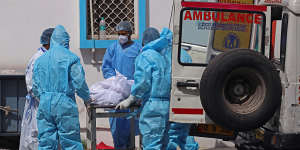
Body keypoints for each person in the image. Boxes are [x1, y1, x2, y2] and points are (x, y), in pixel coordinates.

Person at [32, 25, 91, 150]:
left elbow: (35, 87)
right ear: (65, 41)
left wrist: (43, 97)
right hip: (64, 104)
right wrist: (87, 98)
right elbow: (79, 83)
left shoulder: (39, 61)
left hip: (44, 103)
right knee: (70, 142)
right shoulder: (71, 58)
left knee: (46, 142)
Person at [142, 27, 199, 150]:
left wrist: (134, 98)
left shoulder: (155, 56)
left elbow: (145, 83)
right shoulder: (183, 54)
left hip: (163, 103)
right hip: (184, 100)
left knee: (167, 138)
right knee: (184, 135)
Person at [116, 28, 172, 149]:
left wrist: (131, 98)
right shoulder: (164, 57)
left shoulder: (145, 56)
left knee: (152, 144)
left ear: (143, 42)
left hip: (153, 107)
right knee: (165, 144)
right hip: (167, 106)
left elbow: (142, 81)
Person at [101, 21, 142, 149]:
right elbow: (106, 67)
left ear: (129, 34)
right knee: (117, 127)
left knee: (131, 126)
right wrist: (115, 80)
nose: (121, 36)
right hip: (116, 91)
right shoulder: (113, 47)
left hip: (131, 92)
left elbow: (141, 69)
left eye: (123, 33)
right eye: (119, 34)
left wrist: (133, 84)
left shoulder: (138, 48)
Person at [19, 28, 54, 150]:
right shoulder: (38, 58)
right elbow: (32, 85)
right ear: (50, 42)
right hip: (39, 105)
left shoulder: (46, 56)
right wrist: (45, 101)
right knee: (36, 136)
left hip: (44, 103)